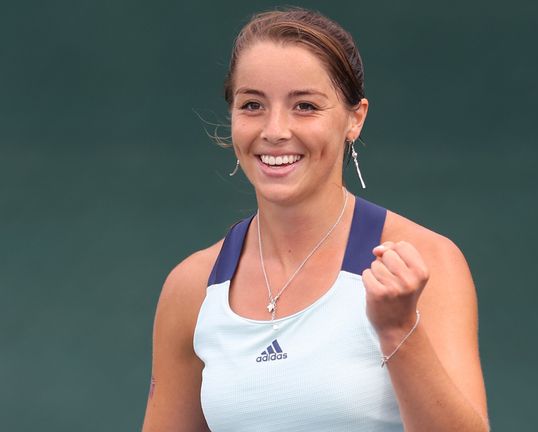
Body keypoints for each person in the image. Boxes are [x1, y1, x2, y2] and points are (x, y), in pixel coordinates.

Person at [142, 7, 489, 432]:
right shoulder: (192, 287)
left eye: (305, 106)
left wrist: (400, 329)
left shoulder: (426, 260)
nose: (275, 130)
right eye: (252, 104)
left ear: (354, 118)